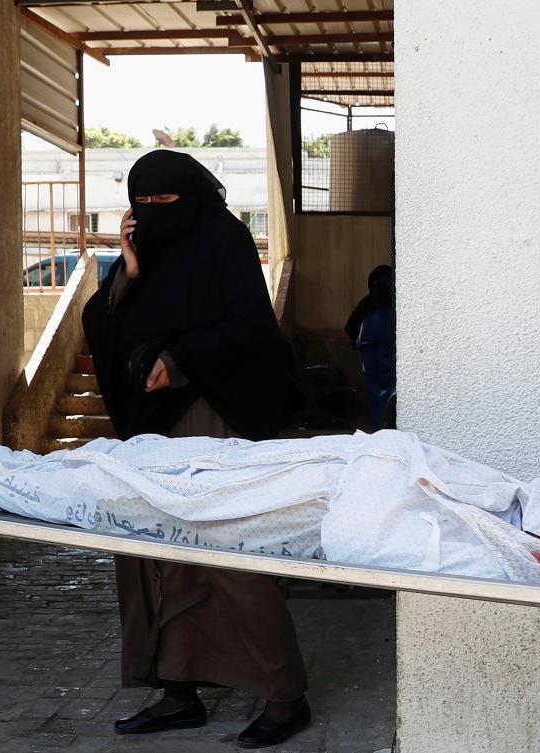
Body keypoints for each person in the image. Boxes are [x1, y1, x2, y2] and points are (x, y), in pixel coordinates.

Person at [79, 150, 309, 748]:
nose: (154, 213)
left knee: (228, 557)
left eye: (165, 202)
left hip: (213, 417)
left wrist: (180, 361)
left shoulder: (222, 237)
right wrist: (126, 270)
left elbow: (253, 330)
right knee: (152, 556)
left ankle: (285, 697)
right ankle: (177, 689)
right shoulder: (144, 250)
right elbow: (101, 327)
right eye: (143, 203)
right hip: (150, 428)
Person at [344, 264, 396, 430]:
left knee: (379, 398)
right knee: (388, 398)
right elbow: (351, 328)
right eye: (380, 283)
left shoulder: (367, 303)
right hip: (379, 359)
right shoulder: (395, 303)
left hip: (374, 359)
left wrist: (359, 345)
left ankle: (380, 431)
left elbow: (350, 328)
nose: (383, 287)